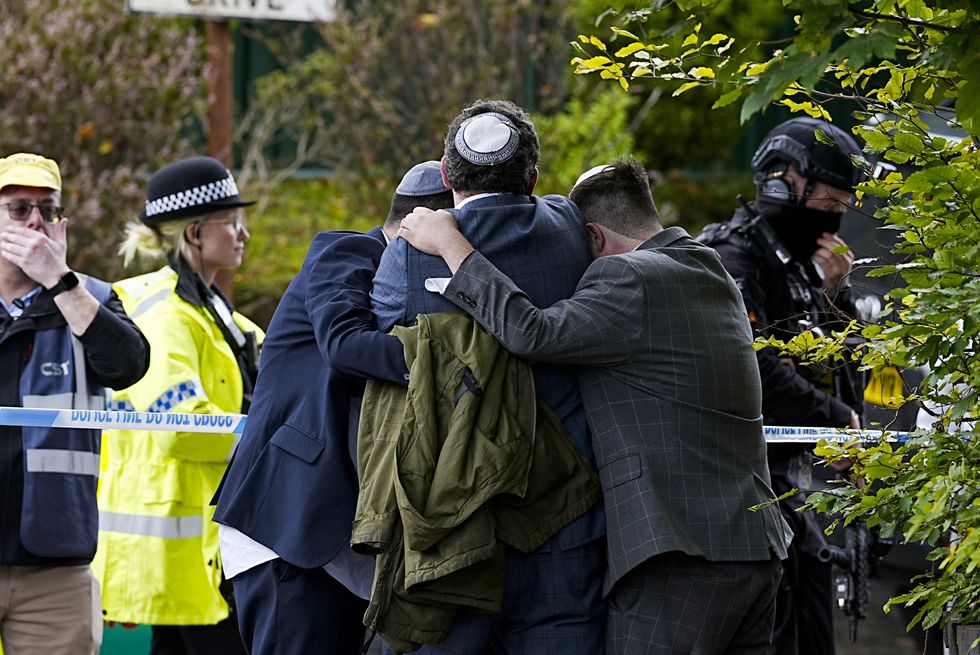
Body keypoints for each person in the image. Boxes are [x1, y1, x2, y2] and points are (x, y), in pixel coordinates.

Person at [398, 157, 793, 655]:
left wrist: (450, 243)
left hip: (676, 559)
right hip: (756, 550)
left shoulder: (627, 278)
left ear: (595, 238)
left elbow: (531, 332)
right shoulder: (706, 267)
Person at [371, 100, 606, 654]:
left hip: (456, 518)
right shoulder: (570, 228)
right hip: (562, 509)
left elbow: (385, 329)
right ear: (534, 176)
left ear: (447, 176)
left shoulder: (408, 254)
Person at [212, 161, 453, 654]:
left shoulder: (410, 284)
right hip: (287, 527)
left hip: (339, 537)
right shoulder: (346, 250)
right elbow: (345, 344)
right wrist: (456, 362)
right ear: (423, 227)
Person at [697, 117, 866, 655]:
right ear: (779, 183)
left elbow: (844, 372)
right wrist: (836, 421)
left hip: (790, 495)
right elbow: (752, 368)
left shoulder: (798, 264)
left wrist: (836, 295)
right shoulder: (734, 260)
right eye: (824, 207)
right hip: (740, 501)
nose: (832, 223)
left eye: (841, 210)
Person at [92, 156, 263, 655]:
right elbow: (182, 426)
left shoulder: (212, 309)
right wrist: (270, 442)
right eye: (230, 222)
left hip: (201, 546)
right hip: (180, 551)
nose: (243, 234)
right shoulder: (164, 314)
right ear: (193, 233)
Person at [0, 152, 150, 654]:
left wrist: (60, 282)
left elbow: (128, 366)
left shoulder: (92, 298)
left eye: (47, 208)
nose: (35, 221)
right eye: (19, 209)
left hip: (55, 568)